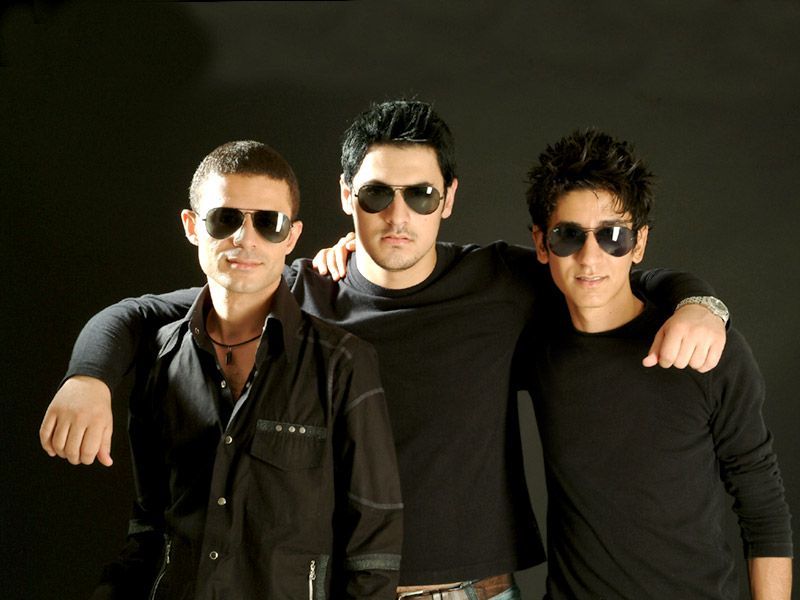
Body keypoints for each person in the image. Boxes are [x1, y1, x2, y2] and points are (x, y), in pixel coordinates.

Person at [41, 101, 727, 599]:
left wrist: (701, 303)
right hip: (337, 585)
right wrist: (88, 377)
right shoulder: (300, 287)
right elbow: (141, 313)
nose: (398, 216)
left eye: (420, 195)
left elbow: (610, 273)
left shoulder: (502, 281)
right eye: (376, 195)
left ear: (448, 199)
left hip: (472, 590)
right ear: (347, 196)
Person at [90, 140, 403, 599]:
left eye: (268, 222)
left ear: (291, 236)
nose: (245, 238)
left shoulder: (343, 363)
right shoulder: (160, 359)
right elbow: (149, 526)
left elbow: (374, 550)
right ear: (192, 226)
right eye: (226, 218)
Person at [522, 129, 793, 598]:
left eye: (613, 236)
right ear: (542, 243)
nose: (591, 258)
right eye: (568, 236)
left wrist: (702, 305)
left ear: (639, 243)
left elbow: (762, 506)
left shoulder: (708, 349)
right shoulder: (534, 342)